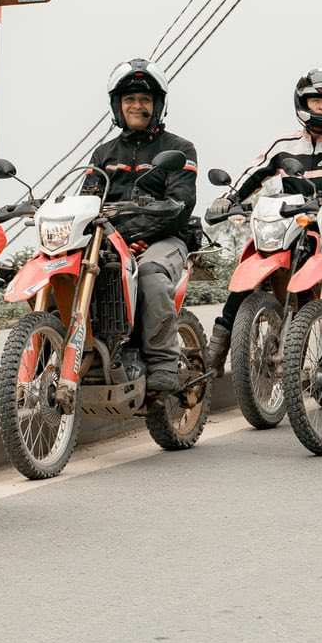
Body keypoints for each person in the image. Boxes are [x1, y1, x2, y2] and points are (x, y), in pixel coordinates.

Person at [205, 68, 322, 374]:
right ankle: (218, 345)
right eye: (315, 101)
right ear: (303, 103)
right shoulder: (283, 144)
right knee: (248, 264)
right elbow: (253, 173)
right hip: (287, 226)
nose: (320, 107)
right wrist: (229, 199)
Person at [81, 59, 199, 395]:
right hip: (111, 240)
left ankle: (162, 361)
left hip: (166, 238)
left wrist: (140, 234)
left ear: (157, 105)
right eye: (130, 99)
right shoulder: (104, 153)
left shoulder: (179, 148)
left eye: (144, 100)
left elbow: (181, 202)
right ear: (118, 106)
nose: (137, 106)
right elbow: (88, 197)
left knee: (149, 275)